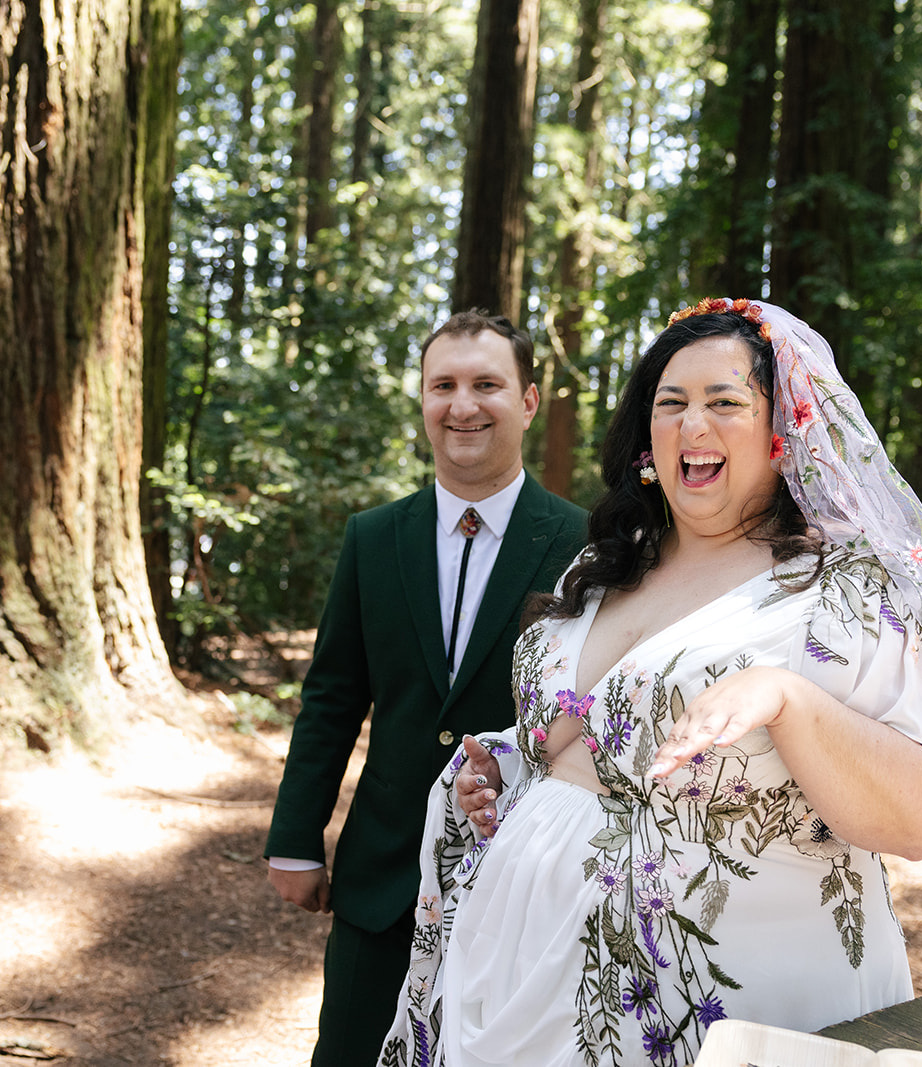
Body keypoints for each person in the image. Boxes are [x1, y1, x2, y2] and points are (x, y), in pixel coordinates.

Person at [380, 298, 922, 1066]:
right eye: (671, 403)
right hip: (523, 968)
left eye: (725, 402)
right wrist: (505, 768)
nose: (693, 425)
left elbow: (921, 816)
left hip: (713, 1004)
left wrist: (789, 699)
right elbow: (592, 747)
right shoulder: (604, 566)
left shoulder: (846, 589)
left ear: (786, 432)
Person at [265, 310, 589, 1066]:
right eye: (443, 385)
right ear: (422, 399)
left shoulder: (585, 543)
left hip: (521, 879)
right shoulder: (373, 538)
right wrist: (294, 836)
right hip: (382, 879)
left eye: (487, 384)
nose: (463, 404)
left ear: (530, 400)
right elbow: (333, 696)